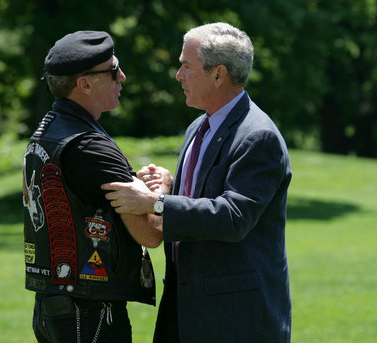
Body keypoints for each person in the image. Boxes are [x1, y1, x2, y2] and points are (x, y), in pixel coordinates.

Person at [102, 23, 292, 342]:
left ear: (218, 74)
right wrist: (169, 185)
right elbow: (207, 192)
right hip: (184, 307)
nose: (178, 75)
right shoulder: (197, 128)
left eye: (186, 66)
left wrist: (156, 204)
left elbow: (233, 217)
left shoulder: (258, 136)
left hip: (233, 318)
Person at [22, 30, 161, 343]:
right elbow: (149, 234)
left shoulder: (49, 130)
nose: (122, 77)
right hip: (89, 309)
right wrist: (159, 193)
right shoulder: (90, 146)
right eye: (113, 71)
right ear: (84, 83)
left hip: (53, 304)